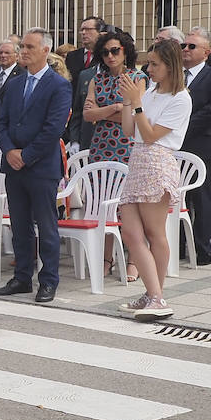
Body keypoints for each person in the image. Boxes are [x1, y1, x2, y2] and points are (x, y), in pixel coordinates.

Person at [0, 28, 70, 303]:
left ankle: (48, 280)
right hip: (14, 166)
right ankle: (22, 277)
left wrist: (26, 155)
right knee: (19, 224)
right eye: (22, 46)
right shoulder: (14, 84)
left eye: (29, 47)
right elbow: (1, 122)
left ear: (45, 51)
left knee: (46, 226)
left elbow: (53, 129)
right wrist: (10, 150)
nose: (23, 51)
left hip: (41, 167)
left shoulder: (58, 85)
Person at [115, 38, 191, 321]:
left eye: (155, 64)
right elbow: (128, 130)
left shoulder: (181, 98)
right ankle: (152, 294)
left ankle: (156, 296)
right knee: (131, 233)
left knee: (155, 233)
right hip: (138, 161)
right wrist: (128, 100)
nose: (149, 69)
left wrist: (136, 103)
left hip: (158, 162)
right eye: (148, 63)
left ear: (171, 65)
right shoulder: (150, 92)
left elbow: (150, 135)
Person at [83, 30, 146, 280]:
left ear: (125, 51)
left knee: (129, 205)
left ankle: (134, 259)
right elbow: (87, 115)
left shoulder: (137, 78)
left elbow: (136, 116)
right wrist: (116, 108)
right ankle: (106, 258)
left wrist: (103, 113)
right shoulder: (96, 80)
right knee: (102, 203)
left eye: (115, 50)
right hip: (101, 146)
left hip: (128, 144)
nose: (110, 56)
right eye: (105, 52)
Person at [178, 30, 211, 266]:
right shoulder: (174, 75)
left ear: (206, 53)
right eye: (184, 46)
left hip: (202, 144)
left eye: (192, 46)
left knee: (201, 198)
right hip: (175, 146)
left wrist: (179, 127)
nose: (185, 50)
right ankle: (178, 246)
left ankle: (202, 250)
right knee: (177, 198)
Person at [66, 17, 104, 151]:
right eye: (81, 30)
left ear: (100, 32)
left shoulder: (108, 66)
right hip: (79, 115)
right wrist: (74, 139)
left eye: (88, 29)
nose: (83, 33)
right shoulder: (72, 57)